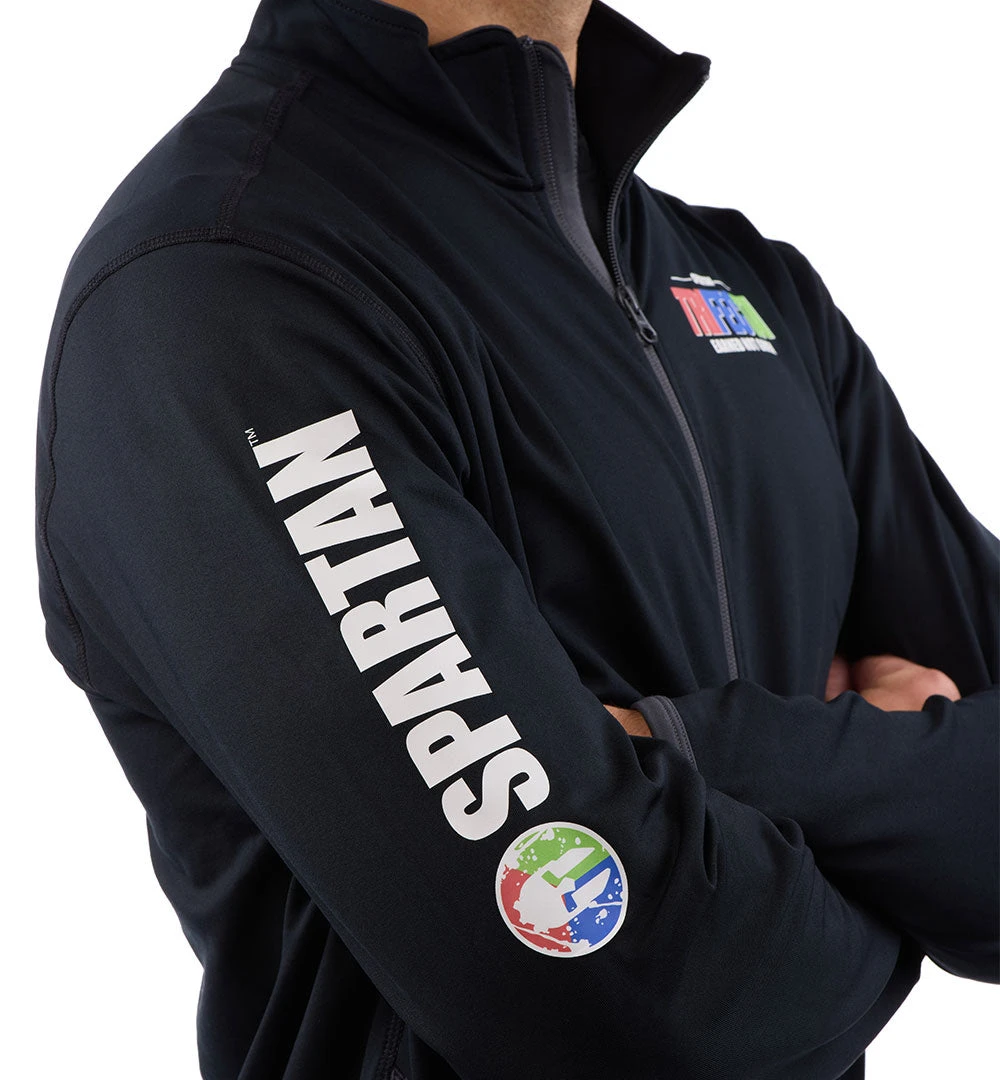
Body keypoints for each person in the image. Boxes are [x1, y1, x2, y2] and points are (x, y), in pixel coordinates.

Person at [33, 0, 998, 1077]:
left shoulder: (748, 283)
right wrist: (902, 846)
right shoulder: (219, 286)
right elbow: (611, 977)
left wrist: (693, 748)